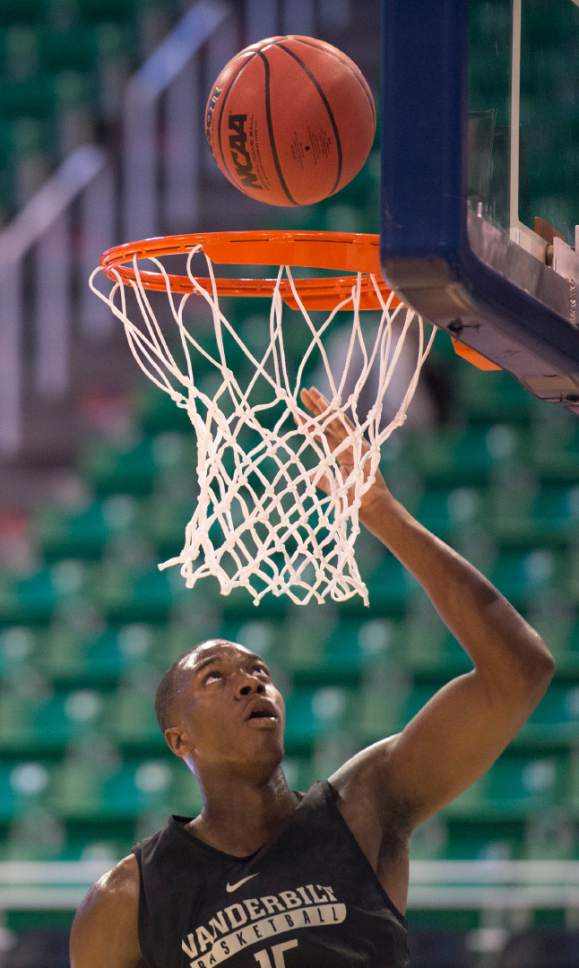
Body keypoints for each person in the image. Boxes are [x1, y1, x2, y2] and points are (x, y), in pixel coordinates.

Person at [70, 387, 555, 968]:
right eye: (215, 678)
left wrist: (378, 509)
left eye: (258, 672)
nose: (249, 682)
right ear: (179, 740)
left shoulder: (362, 809)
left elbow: (519, 672)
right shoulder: (127, 901)